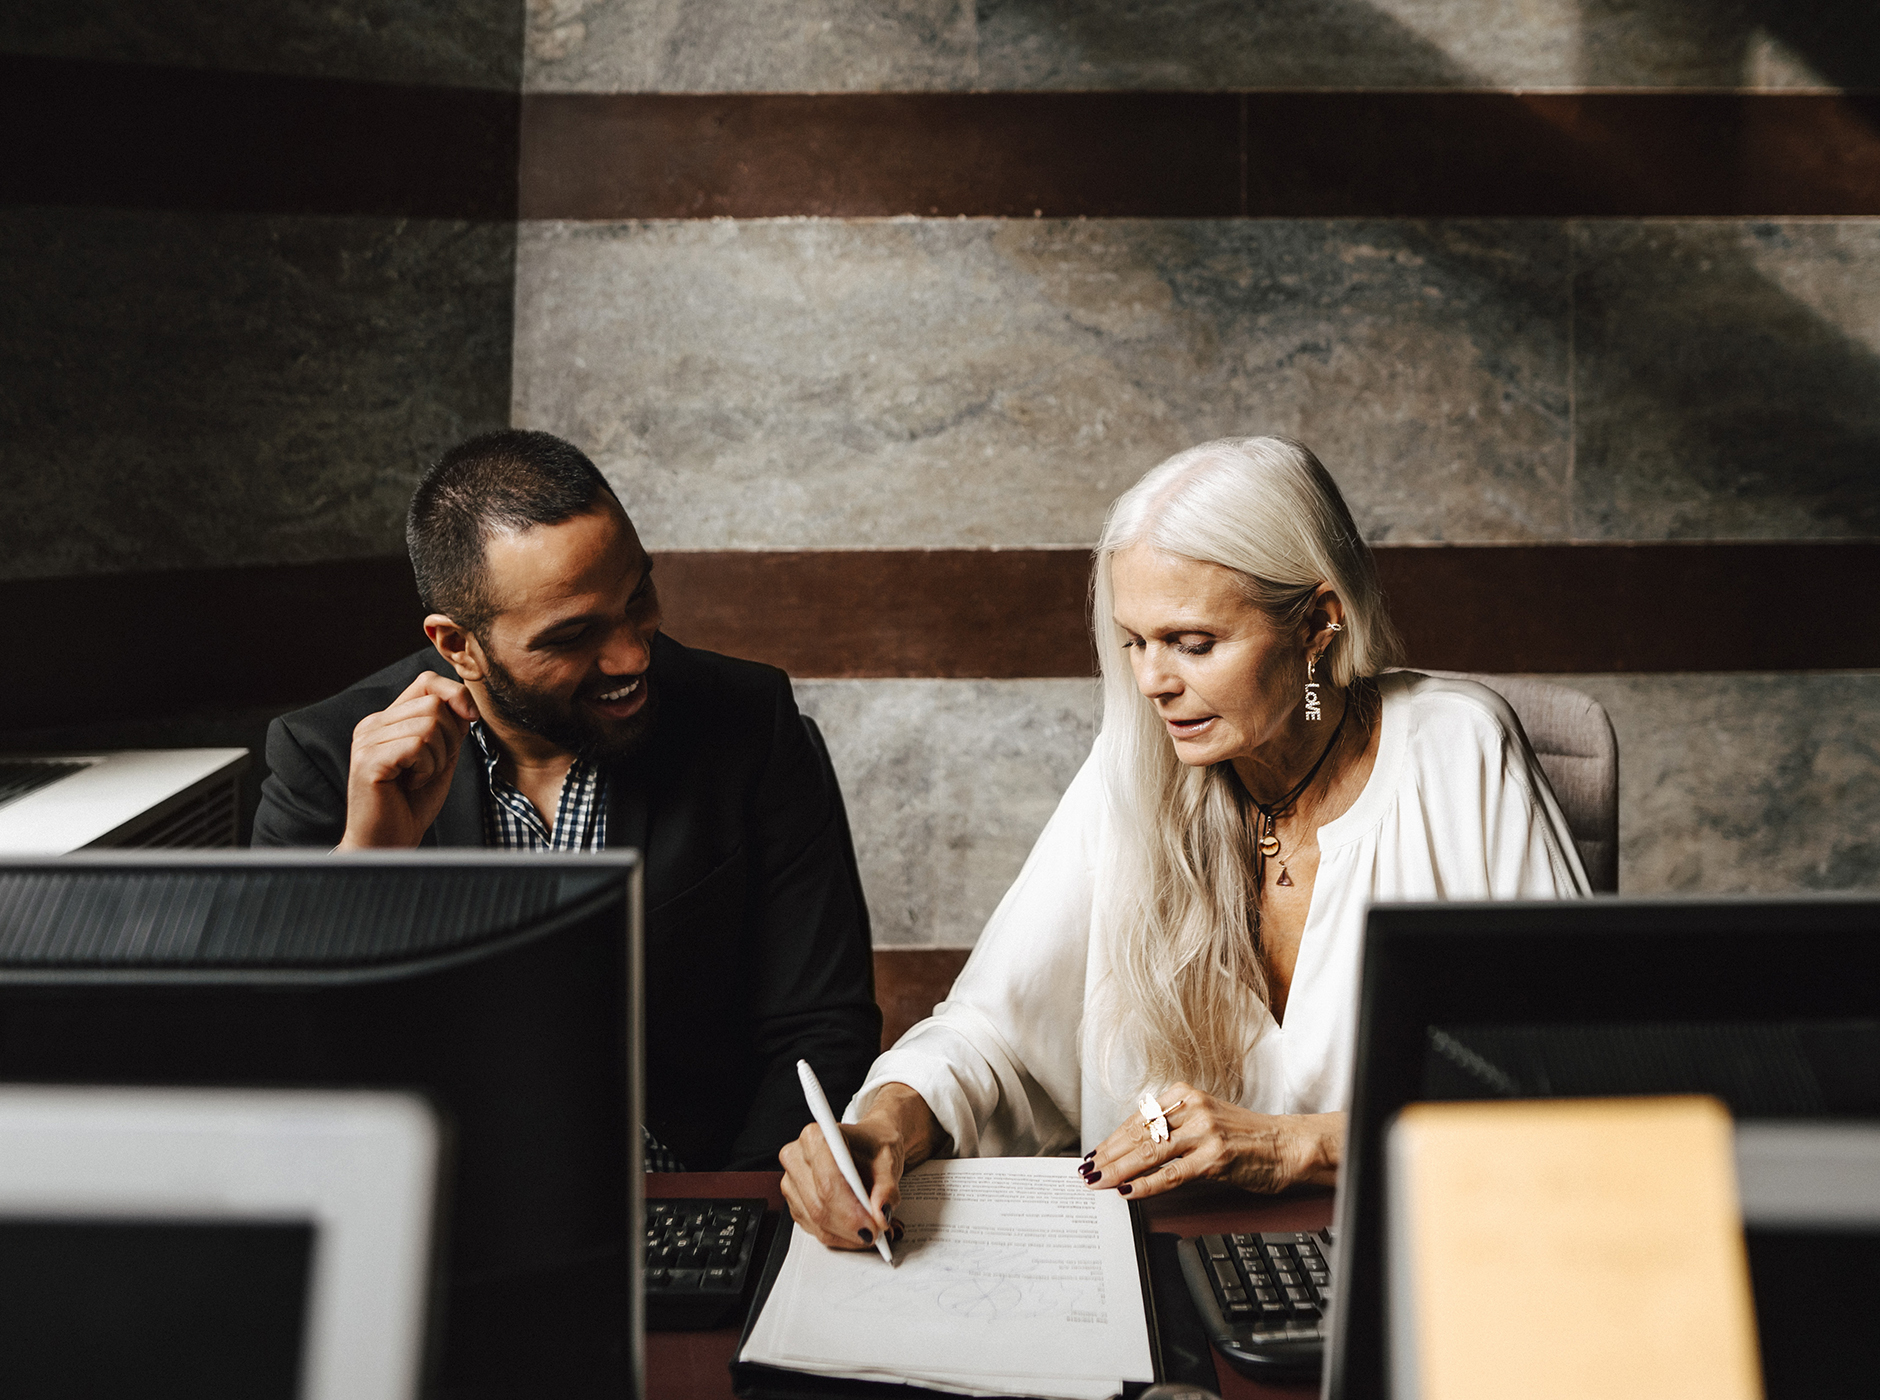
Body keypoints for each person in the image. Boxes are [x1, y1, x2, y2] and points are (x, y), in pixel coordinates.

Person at [781, 435, 1588, 1249]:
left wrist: (1290, 1146)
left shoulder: (1461, 753)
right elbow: (995, 1031)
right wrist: (888, 1120)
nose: (1153, 682)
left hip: (1422, 1264)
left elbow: (1573, 1094)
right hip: (1168, 1278)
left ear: (1318, 623)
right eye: (1135, 641)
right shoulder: (1134, 766)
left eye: (1194, 644)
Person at [252, 429, 880, 1171]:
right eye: (573, 635)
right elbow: (278, 1069)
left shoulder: (749, 721)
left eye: (637, 595)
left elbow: (820, 1027)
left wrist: (733, 1216)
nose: (633, 655)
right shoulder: (326, 759)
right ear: (458, 645)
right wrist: (371, 865)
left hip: (705, 1195)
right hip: (450, 1224)